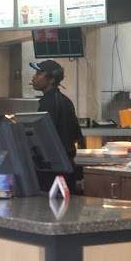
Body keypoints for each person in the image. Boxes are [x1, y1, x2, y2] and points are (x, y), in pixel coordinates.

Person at [30, 59, 81, 190]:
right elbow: (76, 135)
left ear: (51, 80)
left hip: (52, 171)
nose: (34, 77)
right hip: (67, 167)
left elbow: (42, 138)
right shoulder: (66, 101)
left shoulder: (48, 103)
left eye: (39, 73)